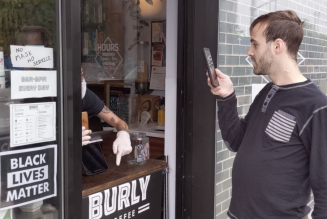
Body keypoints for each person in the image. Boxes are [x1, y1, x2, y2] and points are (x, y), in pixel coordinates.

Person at [207, 10, 327, 219]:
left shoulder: (315, 105)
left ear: (277, 46)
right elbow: (236, 141)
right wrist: (227, 97)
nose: (249, 51)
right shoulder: (268, 91)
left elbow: (324, 181)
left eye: (255, 44)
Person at [81, 68, 132, 166]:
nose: (81, 80)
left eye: (82, 74)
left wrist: (124, 135)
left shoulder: (85, 95)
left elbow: (118, 122)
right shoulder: (49, 98)